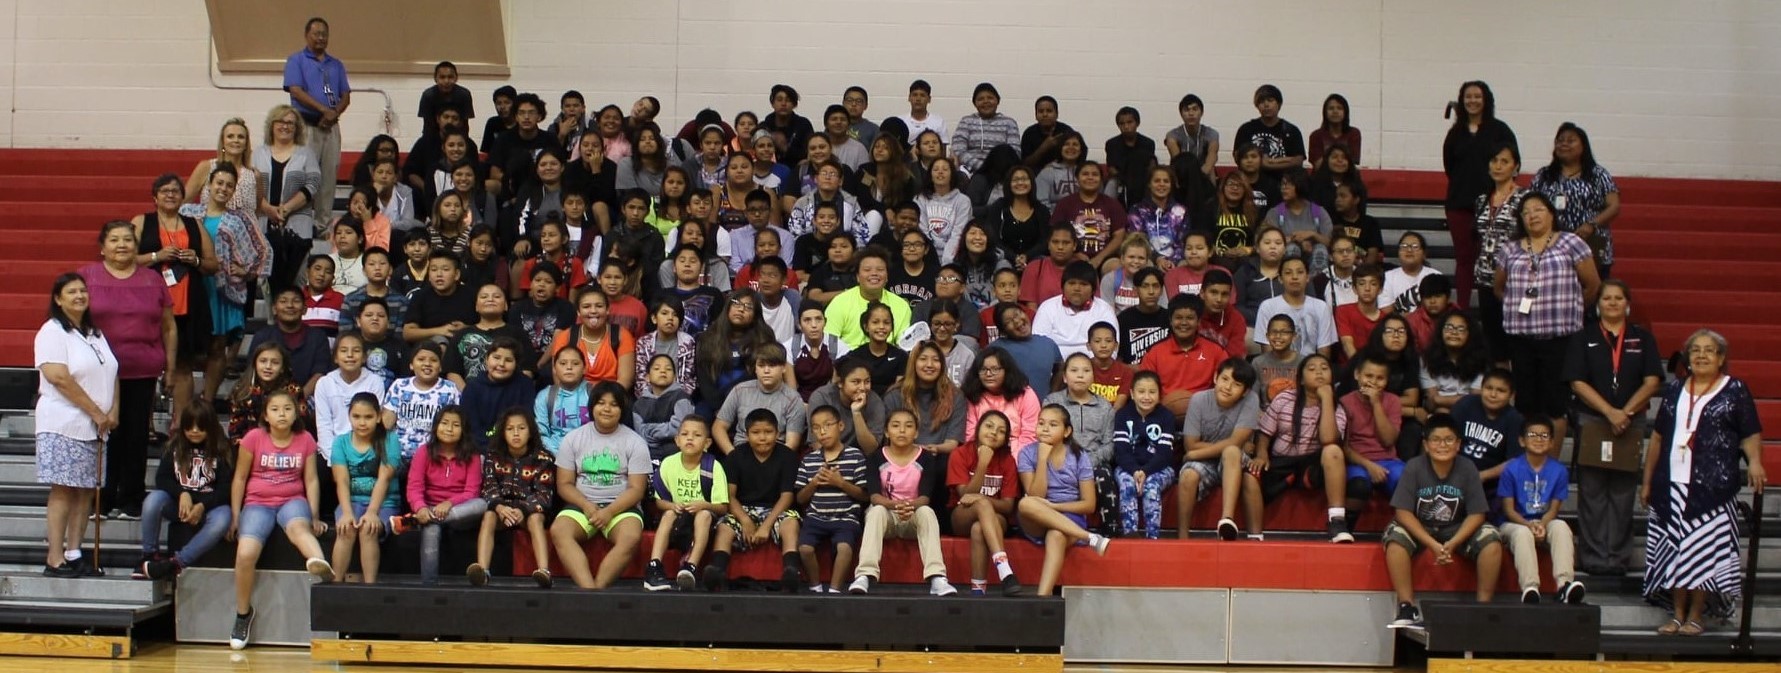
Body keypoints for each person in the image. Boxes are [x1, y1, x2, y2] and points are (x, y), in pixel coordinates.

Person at [1642, 330, 1764, 636]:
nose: (1701, 355)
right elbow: (1657, 438)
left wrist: (1756, 462)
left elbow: (1749, 433)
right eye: (1695, 350)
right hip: (1670, 486)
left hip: (1714, 489)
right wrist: (1647, 482)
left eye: (1709, 351)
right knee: (1674, 553)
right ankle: (1677, 613)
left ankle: (1697, 615)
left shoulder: (1735, 390)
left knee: (1703, 555)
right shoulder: (1674, 390)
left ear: (1721, 358)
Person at [1565, 280, 1662, 577]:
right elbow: (1576, 381)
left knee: (1622, 492)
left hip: (1630, 423)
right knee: (1592, 491)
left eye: (1619, 298)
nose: (1612, 303)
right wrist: (1609, 411)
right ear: (1598, 304)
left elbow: (1653, 381)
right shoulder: (1584, 337)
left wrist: (1625, 412)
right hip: (1594, 420)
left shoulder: (1641, 338)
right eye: (1607, 298)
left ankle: (1618, 559)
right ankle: (1593, 557)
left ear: (1627, 304)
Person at [1493, 192, 1601, 447]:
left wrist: (1569, 309)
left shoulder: (1571, 243)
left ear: (1551, 213)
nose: (1533, 215)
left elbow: (1593, 285)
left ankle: (1550, 466)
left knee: (1555, 406)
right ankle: (1527, 460)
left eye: (1538, 209)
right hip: (1521, 339)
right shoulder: (1509, 249)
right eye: (1526, 211)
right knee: (1525, 404)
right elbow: (1499, 289)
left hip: (1560, 339)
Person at [228, 390, 333, 650]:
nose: (282, 414)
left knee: (300, 529)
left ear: (296, 412)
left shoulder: (305, 439)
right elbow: (240, 478)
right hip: (258, 503)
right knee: (245, 554)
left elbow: (310, 479)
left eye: (287, 409)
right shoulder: (253, 438)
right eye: (275, 409)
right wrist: (235, 516)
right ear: (265, 415)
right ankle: (243, 614)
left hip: (292, 500)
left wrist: (315, 514)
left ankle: (323, 569)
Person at [84, 222, 174, 521]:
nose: (121, 245)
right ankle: (102, 496)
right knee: (107, 434)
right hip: (97, 372)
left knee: (136, 435)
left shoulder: (153, 279)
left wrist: (171, 367)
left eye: (127, 239)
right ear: (102, 247)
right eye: (114, 240)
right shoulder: (87, 277)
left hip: (142, 368)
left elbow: (168, 326)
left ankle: (132, 496)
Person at [1384, 414, 1504, 629]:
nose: (1443, 445)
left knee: (1492, 539)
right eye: (1436, 440)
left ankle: (1483, 608)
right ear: (1426, 445)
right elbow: (1402, 512)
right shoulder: (1413, 467)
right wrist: (1432, 544)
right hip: (1421, 527)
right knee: (1394, 538)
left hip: (1456, 528)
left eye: (1449, 440)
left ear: (1458, 444)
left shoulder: (1468, 469)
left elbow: (1477, 513)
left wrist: (1454, 542)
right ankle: (1407, 607)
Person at [36, 272, 118, 576]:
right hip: (64, 423)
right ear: (58, 298)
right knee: (64, 489)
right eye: (71, 291)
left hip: (96, 428)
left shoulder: (94, 333)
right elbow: (59, 377)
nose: (79, 296)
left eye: (83, 290)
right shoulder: (52, 331)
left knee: (85, 490)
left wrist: (113, 411)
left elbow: (111, 370)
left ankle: (74, 552)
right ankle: (54, 557)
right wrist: (96, 412)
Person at [549, 382, 651, 590]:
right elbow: (564, 484)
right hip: (582, 504)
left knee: (630, 537)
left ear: (622, 410)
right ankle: (589, 591)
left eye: (614, 404)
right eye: (601, 403)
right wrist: (587, 506)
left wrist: (610, 511)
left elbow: (636, 489)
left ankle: (599, 590)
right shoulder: (573, 438)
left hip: (621, 506)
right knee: (559, 531)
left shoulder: (635, 442)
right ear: (592, 406)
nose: (607, 408)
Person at [847, 407, 956, 596]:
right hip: (887, 517)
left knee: (927, 512)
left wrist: (908, 507)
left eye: (908, 426)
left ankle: (937, 577)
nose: (902, 430)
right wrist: (895, 506)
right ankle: (864, 575)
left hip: (913, 516)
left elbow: (924, 498)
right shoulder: (876, 457)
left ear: (916, 432)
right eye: (896, 426)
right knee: (875, 510)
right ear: (887, 431)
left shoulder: (926, 458)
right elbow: (874, 496)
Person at [137, 172, 216, 426]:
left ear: (183, 197)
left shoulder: (194, 224)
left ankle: (179, 425)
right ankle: (144, 423)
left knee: (183, 365)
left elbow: (212, 264)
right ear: (154, 197)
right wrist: (156, 256)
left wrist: (194, 260)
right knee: (146, 368)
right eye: (164, 191)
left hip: (187, 304)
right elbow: (124, 260)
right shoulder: (141, 222)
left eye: (175, 191)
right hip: (148, 306)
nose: (170, 195)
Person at [1246, 354, 1351, 542]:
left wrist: (1326, 398)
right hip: (1282, 461)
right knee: (1250, 473)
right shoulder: (1284, 399)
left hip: (1312, 464)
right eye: (1311, 369)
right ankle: (1255, 535)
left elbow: (1328, 439)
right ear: (1301, 379)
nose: (1319, 372)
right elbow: (1264, 434)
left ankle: (1337, 522)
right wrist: (1261, 454)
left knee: (1333, 451)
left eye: (1324, 368)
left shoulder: (1337, 407)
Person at [704, 408, 805, 592]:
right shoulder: (736, 456)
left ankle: (791, 571)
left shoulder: (788, 457)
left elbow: (787, 496)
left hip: (776, 509)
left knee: (791, 523)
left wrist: (766, 525)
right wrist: (745, 520)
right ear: (746, 434)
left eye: (768, 432)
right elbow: (729, 496)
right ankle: (717, 571)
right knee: (725, 527)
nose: (762, 437)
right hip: (743, 509)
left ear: (778, 433)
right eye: (756, 433)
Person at [1016, 404, 1112, 596]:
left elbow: (1089, 504)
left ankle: (1042, 598)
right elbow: (1036, 497)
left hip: (1069, 517)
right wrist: (1042, 459)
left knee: (1056, 535)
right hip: (1037, 516)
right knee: (1025, 503)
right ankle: (1089, 538)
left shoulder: (1079, 456)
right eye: (1041, 423)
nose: (1044, 428)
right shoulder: (1027, 453)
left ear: (1067, 431)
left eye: (1053, 424)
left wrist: (1055, 506)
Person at [1442, 81, 1518, 312]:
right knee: (1465, 260)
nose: (1472, 101)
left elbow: (1513, 160)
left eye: (1477, 96)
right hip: (1459, 205)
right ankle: (1462, 309)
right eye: (1468, 97)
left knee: (1497, 259)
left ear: (1486, 100)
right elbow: (1450, 166)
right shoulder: (1455, 133)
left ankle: (1500, 306)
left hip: (1493, 204)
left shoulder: (1500, 130)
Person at [135, 403, 231, 580]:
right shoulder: (174, 446)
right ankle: (149, 555)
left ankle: (176, 563)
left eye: (200, 426)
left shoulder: (221, 449)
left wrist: (202, 504)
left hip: (209, 505)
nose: (194, 431)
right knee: (152, 500)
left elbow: (225, 489)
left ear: (210, 426)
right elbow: (162, 479)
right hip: (178, 505)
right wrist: (182, 493)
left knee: (223, 518)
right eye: (189, 426)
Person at [1498, 414, 1585, 604]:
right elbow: (1508, 510)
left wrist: (1542, 524)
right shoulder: (1511, 469)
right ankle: (1530, 588)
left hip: (1544, 521)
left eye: (1544, 436)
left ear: (1553, 442)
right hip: (1515, 523)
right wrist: (1529, 525)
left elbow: (1554, 508)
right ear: (1522, 440)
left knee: (1561, 526)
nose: (1539, 439)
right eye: (1533, 435)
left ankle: (1564, 585)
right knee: (1523, 533)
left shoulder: (1559, 471)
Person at [469, 409, 557, 588]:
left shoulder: (543, 458)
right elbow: (489, 488)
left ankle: (544, 571)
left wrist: (523, 510)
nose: (516, 433)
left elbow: (544, 495)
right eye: (510, 429)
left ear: (531, 431)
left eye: (521, 428)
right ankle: (483, 571)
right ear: (503, 432)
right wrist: (500, 507)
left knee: (536, 519)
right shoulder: (493, 456)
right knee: (488, 516)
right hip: (503, 509)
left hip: (529, 509)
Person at [1178, 358, 1261, 541]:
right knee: (1188, 475)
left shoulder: (1251, 400)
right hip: (1206, 462)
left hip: (1233, 460)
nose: (1228, 387)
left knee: (1231, 452)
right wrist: (1194, 451)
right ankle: (1182, 536)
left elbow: (1236, 442)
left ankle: (1226, 519)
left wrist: (1195, 454)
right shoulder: (1198, 400)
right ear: (1216, 377)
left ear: (1245, 391)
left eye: (1236, 384)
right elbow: (1190, 444)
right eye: (1225, 379)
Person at [642, 415, 728, 591]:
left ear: (707, 443)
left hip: (704, 526)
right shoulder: (668, 464)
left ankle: (690, 567)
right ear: (677, 440)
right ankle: (654, 566)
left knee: (703, 515)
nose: (690, 438)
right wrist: (673, 506)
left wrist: (703, 505)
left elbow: (722, 507)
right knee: (668, 514)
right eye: (685, 434)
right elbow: (660, 502)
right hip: (677, 524)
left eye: (697, 435)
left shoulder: (713, 467)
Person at [794, 405, 869, 593]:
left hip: (846, 517)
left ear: (841, 426)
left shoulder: (855, 456)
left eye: (828, 425)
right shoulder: (809, 460)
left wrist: (840, 483)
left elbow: (864, 495)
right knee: (804, 549)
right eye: (817, 427)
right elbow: (800, 498)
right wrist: (814, 484)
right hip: (815, 517)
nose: (822, 431)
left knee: (844, 548)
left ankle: (835, 591)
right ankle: (815, 587)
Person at [326, 393, 399, 584]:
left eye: (368, 417)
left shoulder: (390, 439)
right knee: (346, 528)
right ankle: (336, 584)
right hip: (352, 500)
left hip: (385, 502)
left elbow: (384, 478)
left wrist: (373, 512)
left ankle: (369, 588)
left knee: (368, 528)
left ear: (378, 417)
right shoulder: (340, 442)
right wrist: (347, 513)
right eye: (356, 417)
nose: (362, 422)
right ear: (349, 416)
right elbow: (341, 481)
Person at [1531, 123, 1620, 277]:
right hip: (1552, 247)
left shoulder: (1597, 174)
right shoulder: (1544, 175)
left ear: (1583, 146)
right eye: (1560, 140)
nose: (1564, 144)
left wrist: (1592, 224)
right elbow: (1530, 205)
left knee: (1591, 294)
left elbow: (1614, 206)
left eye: (1571, 140)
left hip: (1590, 243)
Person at [282, 17, 348, 223]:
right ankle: (299, 222)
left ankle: (323, 224)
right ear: (306, 35)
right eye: (316, 33)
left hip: (331, 128)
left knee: (329, 176)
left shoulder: (336, 64)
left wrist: (333, 113)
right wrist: (323, 110)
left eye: (324, 34)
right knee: (304, 175)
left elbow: (345, 95)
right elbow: (296, 90)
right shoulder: (296, 60)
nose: (321, 38)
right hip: (307, 126)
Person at [1473, 143, 1528, 359]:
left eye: (1504, 161)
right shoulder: (1481, 200)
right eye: (1494, 161)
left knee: (1514, 337)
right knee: (1492, 338)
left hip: (1514, 278)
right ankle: (1500, 382)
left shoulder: (1525, 198)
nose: (1498, 166)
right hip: (1485, 276)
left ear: (1516, 167)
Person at [714, 342, 808, 453]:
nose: (766, 371)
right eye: (761, 365)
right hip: (741, 453)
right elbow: (718, 427)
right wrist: (732, 455)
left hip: (776, 456)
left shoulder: (793, 399)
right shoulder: (739, 391)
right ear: (755, 369)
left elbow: (792, 443)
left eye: (772, 365)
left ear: (783, 368)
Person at [1112, 372, 1174, 539]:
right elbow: (1121, 451)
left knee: (1151, 487)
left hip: (1159, 468)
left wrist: (1145, 471)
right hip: (1128, 468)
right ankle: (1130, 535)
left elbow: (1165, 454)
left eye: (1152, 392)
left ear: (1160, 394)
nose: (1146, 397)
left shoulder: (1166, 416)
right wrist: (1134, 471)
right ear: (1132, 393)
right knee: (1127, 484)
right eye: (1141, 392)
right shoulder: (1122, 415)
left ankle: (1152, 538)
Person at [1140, 294, 1223, 418]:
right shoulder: (1155, 352)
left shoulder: (1216, 351)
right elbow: (1144, 387)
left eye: (1190, 318)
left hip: (1206, 415)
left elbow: (1225, 386)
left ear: (1199, 321)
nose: (1184, 323)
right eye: (1178, 317)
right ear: (1170, 320)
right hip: (1161, 415)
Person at [380, 343, 460, 462]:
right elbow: (386, 424)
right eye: (421, 359)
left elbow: (454, 425)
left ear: (441, 367)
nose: (427, 364)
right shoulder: (400, 386)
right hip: (398, 455)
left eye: (433, 360)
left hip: (433, 457)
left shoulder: (449, 389)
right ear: (411, 365)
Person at [824, 246, 911, 350]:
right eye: (867, 270)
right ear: (857, 277)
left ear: (887, 276)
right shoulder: (839, 302)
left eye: (880, 270)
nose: (874, 274)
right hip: (848, 361)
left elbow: (904, 346)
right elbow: (830, 342)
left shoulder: (901, 305)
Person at [249, 287, 331, 396]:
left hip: (308, 398)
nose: (290, 305)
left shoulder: (318, 337)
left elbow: (320, 373)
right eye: (283, 301)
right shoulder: (263, 336)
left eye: (296, 301)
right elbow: (252, 370)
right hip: (268, 399)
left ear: (305, 309)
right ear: (274, 309)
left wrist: (299, 398)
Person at [312, 333, 386, 451]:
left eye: (356, 351)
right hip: (332, 451)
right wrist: (334, 458)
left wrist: (360, 454)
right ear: (335, 357)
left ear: (364, 357)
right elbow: (324, 426)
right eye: (344, 351)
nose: (350, 355)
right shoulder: (324, 383)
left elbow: (373, 423)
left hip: (365, 450)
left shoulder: (375, 382)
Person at [1252, 257, 1337, 358]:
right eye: (1288, 273)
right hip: (1278, 369)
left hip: (1310, 368)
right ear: (1280, 278)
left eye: (1300, 272)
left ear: (1307, 277)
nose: (1294, 277)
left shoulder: (1321, 307)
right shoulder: (1267, 307)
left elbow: (1324, 351)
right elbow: (1267, 352)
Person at [1033, 261, 1119, 358]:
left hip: (1093, 368)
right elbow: (1038, 346)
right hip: (1055, 368)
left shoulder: (1104, 309)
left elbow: (1112, 349)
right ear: (1062, 286)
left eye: (1083, 284)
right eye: (1072, 283)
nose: (1077, 288)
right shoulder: (1047, 307)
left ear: (1093, 289)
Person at [1051, 163, 1127, 272]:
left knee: (1115, 267)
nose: (1090, 177)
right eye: (1085, 174)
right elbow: (1055, 233)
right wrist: (1075, 253)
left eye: (1095, 174)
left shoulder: (1112, 204)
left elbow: (1119, 236)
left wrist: (1099, 258)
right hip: (1071, 257)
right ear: (1077, 178)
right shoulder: (1065, 204)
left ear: (1101, 179)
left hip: (1105, 258)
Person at [808, 359, 887, 453]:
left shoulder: (874, 401)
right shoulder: (822, 397)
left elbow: (870, 449)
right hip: (826, 457)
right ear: (840, 383)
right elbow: (817, 442)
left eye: (867, 381)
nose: (862, 388)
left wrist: (856, 413)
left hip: (860, 458)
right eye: (856, 382)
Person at [988, 302, 1063, 397]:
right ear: (1003, 331)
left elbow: (1060, 370)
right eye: (1008, 321)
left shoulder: (1048, 343)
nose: (1017, 321)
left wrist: (1052, 396)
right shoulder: (995, 350)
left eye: (1017, 314)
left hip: (1045, 409)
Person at [1422, 313, 1488, 416]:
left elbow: (1475, 401)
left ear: (1470, 334)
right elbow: (1432, 402)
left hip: (1470, 415)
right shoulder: (1427, 359)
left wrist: (1441, 399)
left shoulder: (1480, 360)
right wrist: (1461, 398)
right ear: (1441, 331)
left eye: (1460, 329)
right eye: (1449, 327)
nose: (1454, 332)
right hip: (1437, 413)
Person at [1234, 84, 1306, 180]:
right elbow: (1238, 157)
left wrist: (1267, 162)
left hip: (1284, 183)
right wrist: (1285, 160)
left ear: (1279, 104)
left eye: (1270, 101)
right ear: (1257, 106)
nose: (1266, 105)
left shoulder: (1292, 130)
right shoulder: (1246, 129)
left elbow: (1298, 161)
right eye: (1262, 102)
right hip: (1252, 183)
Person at [634, 354, 695, 461]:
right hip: (648, 454)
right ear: (647, 377)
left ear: (675, 377)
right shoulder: (639, 404)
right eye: (657, 368)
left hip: (675, 453)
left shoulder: (681, 397)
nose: (663, 371)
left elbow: (680, 428)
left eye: (668, 369)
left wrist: (652, 430)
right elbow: (641, 434)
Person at [951, 82, 1020, 175]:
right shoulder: (966, 121)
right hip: (970, 172)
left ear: (998, 101)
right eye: (980, 99)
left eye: (990, 98)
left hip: (1001, 172)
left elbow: (1014, 152)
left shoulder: (1009, 123)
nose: (986, 101)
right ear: (975, 103)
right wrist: (983, 167)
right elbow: (958, 150)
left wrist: (995, 168)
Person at [536, 345, 591, 455]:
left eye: (575, 363)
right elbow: (541, 434)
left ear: (584, 368)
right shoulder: (545, 396)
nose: (569, 367)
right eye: (563, 363)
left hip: (590, 454)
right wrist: (559, 456)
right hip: (555, 454)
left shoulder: (594, 393)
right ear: (554, 369)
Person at [1234, 226, 1287, 326]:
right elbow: (1237, 306)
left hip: (1289, 327)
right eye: (1267, 243)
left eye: (1278, 243)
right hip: (1253, 326)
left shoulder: (1293, 271)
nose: (1273, 246)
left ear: (1285, 249)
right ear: (1257, 248)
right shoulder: (1246, 271)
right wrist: (1262, 317)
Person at [1104, 107, 1157, 206]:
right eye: (1122, 124)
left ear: (1137, 123)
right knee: (1111, 184)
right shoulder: (1112, 144)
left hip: (1143, 179)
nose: (1126, 126)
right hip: (1120, 180)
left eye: (1130, 122)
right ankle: (1107, 210)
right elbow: (1111, 169)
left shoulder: (1148, 143)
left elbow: (1151, 166)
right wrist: (1126, 180)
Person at [1334, 263, 1388, 360]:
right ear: (1354, 289)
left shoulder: (1386, 319)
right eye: (1362, 284)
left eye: (1373, 284)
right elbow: (1347, 344)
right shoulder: (1343, 311)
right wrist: (1361, 368)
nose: (1367, 289)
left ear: (1380, 289)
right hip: (1350, 367)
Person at [1118, 267, 1171, 363]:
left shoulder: (1169, 318)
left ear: (1162, 290)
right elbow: (1118, 360)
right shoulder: (1123, 320)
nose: (1151, 292)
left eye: (1155, 286)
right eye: (1145, 286)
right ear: (1135, 290)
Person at [1381, 232, 1440, 314]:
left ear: (1424, 254)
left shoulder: (1436, 277)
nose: (1409, 250)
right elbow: (1386, 313)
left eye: (1415, 246)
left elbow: (1439, 310)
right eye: (1404, 246)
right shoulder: (1388, 277)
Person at [1165, 94, 1220, 180]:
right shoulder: (1172, 135)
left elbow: (1212, 156)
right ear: (1181, 114)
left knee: (1211, 171)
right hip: (1181, 174)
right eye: (1187, 110)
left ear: (1201, 112)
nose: (1191, 113)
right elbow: (1178, 162)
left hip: (1204, 174)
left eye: (1195, 109)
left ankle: (1211, 193)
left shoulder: (1211, 133)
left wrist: (1199, 177)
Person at [417, 61, 474, 138]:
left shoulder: (464, 95)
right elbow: (428, 126)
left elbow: (465, 125)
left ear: (456, 78)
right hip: (432, 136)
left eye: (450, 77)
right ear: (435, 78)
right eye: (442, 77)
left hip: (457, 137)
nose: (446, 81)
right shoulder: (428, 95)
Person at [1309, 94, 1361, 168]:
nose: (1335, 111)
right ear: (1325, 113)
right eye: (1331, 108)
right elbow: (1318, 165)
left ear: (1345, 112)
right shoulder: (1316, 136)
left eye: (1339, 108)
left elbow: (1351, 164)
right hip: (1322, 177)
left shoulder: (1353, 133)